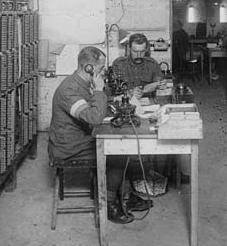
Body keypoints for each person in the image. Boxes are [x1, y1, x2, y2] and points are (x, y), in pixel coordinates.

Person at [47, 46, 150, 224]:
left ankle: (124, 197)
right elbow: (94, 118)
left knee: (122, 145)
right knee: (119, 154)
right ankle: (110, 204)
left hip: (80, 138)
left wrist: (110, 100)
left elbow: (91, 105)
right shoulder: (69, 90)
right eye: (101, 69)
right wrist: (101, 91)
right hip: (69, 147)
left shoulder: (82, 83)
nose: (102, 73)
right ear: (89, 67)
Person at [112, 33, 165, 99]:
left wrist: (161, 85)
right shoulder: (119, 64)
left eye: (142, 51)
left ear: (146, 49)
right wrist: (130, 93)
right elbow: (113, 93)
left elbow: (159, 83)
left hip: (148, 104)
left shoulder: (152, 64)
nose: (139, 55)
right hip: (126, 104)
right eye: (135, 51)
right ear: (129, 48)